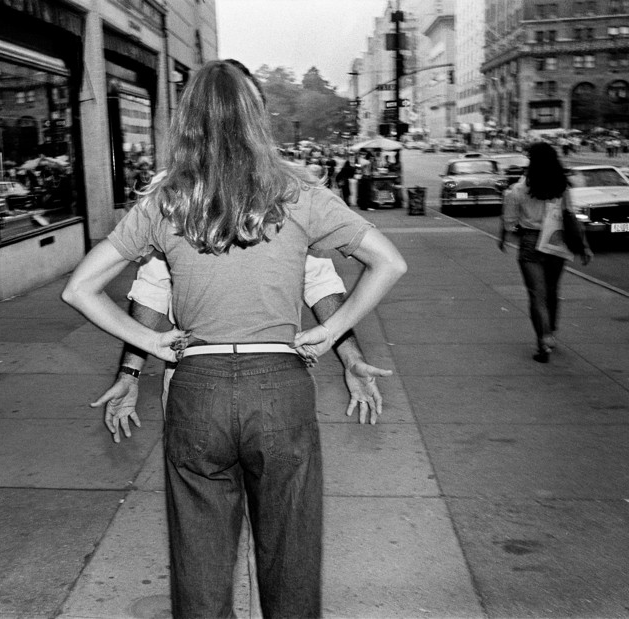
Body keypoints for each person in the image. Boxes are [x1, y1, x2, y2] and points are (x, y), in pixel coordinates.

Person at [62, 60, 406, 617]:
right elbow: (387, 263)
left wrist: (149, 351)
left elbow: (81, 289)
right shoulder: (299, 194)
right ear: (256, 116)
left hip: (197, 387)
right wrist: (334, 335)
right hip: (280, 387)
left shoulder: (165, 202)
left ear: (187, 121)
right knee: (291, 555)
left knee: (199, 560)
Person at [92, 253, 391, 443]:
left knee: (201, 509)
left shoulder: (174, 196)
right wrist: (351, 357)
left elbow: (144, 291)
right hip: (272, 376)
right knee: (281, 509)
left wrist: (130, 373)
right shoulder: (291, 193)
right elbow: (370, 267)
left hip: (199, 375)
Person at [500, 142, 592, 363]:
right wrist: (584, 246)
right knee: (552, 291)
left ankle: (544, 341)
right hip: (556, 241)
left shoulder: (518, 189)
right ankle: (551, 329)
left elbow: (510, 223)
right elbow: (570, 217)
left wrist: (507, 234)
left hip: (530, 242)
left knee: (536, 295)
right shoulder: (561, 188)